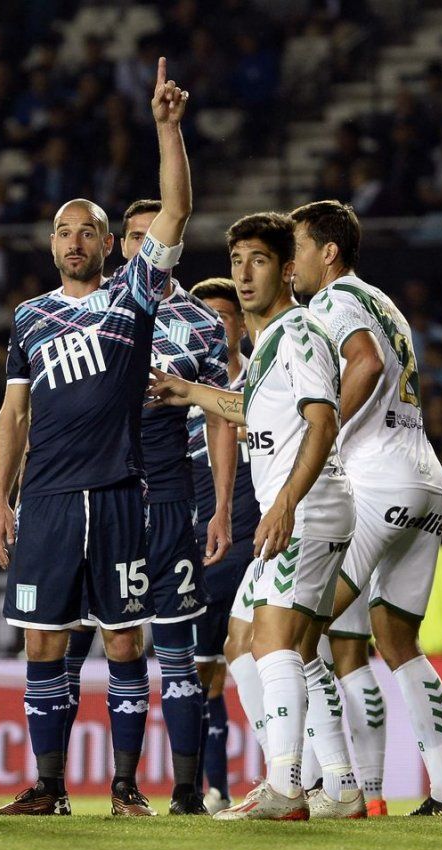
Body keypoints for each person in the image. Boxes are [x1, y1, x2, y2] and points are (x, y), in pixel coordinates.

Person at [0, 59, 192, 817]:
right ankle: (49, 787)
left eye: (88, 231)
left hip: (116, 492)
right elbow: (13, 416)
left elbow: (176, 211)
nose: (75, 241)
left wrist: (166, 130)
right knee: (43, 642)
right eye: (63, 231)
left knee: (125, 642)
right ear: (51, 244)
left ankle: (126, 787)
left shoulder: (133, 296)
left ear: (110, 243)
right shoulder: (28, 317)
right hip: (43, 498)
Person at [149, 211, 353, 822]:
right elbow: (254, 410)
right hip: (306, 510)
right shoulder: (268, 343)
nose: (243, 274)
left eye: (258, 261)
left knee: (271, 642)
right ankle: (343, 786)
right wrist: (191, 393)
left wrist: (285, 502)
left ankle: (286, 787)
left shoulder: (299, 333)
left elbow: (323, 421)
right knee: (272, 644)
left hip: (305, 510)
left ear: (288, 269)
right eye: (236, 261)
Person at [293, 199, 442, 816]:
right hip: (425, 481)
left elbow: (365, 360)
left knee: (296, 630)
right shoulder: (384, 301)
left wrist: (323, 430)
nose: (292, 262)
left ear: (328, 252)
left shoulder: (333, 301)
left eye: (298, 248)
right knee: (397, 641)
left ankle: (327, 784)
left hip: (376, 480)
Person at [62, 199, 234, 815]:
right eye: (133, 237)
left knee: (179, 650)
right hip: (100, 498)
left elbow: (220, 416)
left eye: (152, 236)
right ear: (119, 244)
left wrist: (218, 506)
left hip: (169, 499)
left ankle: (188, 792)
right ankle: (113, 786)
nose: (143, 247)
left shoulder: (204, 323)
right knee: (101, 642)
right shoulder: (92, 307)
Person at [186, 277, 261, 814]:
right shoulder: (183, 386)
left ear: (240, 322)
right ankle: (207, 789)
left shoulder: (265, 375)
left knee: (266, 655)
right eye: (204, 317)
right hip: (201, 544)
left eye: (224, 316)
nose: (214, 326)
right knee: (203, 673)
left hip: (256, 542)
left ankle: (295, 774)